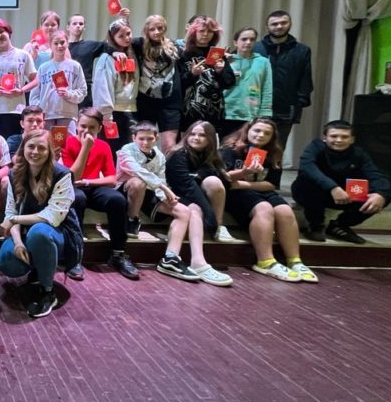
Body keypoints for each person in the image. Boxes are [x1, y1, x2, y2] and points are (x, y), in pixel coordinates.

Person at [117, 121, 223, 284]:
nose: (145, 142)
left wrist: (166, 196)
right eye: (141, 139)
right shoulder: (126, 150)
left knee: (184, 211)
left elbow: (161, 179)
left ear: (156, 138)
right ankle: (132, 220)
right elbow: (136, 171)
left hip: (150, 192)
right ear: (134, 138)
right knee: (138, 182)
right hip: (125, 191)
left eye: (150, 139)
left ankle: (170, 258)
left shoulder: (159, 156)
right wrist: (164, 189)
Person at [0, 129, 84, 318]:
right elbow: (12, 212)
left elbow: (52, 216)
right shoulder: (14, 174)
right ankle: (38, 268)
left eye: (41, 148)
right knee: (7, 262)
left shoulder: (62, 174)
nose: (35, 152)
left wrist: (14, 220)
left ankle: (47, 291)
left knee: (39, 232)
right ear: (23, 148)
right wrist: (18, 243)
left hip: (59, 234)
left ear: (50, 151)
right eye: (31, 146)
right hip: (27, 231)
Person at [220, 118, 317, 282]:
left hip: (254, 188)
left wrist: (243, 183)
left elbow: (271, 184)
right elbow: (223, 178)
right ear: (248, 131)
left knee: (285, 211)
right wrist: (244, 172)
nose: (261, 135)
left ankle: (295, 260)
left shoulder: (274, 153)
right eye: (257, 130)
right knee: (264, 208)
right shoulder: (230, 149)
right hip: (235, 194)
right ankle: (265, 261)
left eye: (267, 133)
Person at [62, 108, 137, 279]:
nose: (86, 131)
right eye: (83, 126)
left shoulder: (103, 146)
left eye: (92, 127)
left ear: (99, 129)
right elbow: (73, 177)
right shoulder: (68, 143)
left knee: (117, 200)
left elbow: (111, 179)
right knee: (78, 197)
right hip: (73, 187)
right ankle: (74, 256)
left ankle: (118, 253)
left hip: (92, 186)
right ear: (77, 125)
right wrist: (85, 148)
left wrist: (88, 182)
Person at [291, 120, 391, 244]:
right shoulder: (315, 147)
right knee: (308, 182)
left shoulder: (359, 154)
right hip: (313, 194)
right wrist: (333, 187)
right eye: (334, 136)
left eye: (344, 137)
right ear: (325, 138)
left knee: (383, 196)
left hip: (343, 197)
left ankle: (340, 225)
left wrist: (380, 194)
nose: (339, 140)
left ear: (352, 139)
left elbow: (375, 175)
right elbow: (307, 167)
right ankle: (315, 226)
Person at [164, 123, 238, 262]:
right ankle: (196, 258)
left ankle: (219, 227)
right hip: (176, 193)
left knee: (214, 182)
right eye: (192, 134)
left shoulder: (212, 156)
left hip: (196, 191)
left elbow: (225, 181)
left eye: (202, 135)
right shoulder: (178, 155)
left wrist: (204, 173)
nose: (196, 138)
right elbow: (187, 186)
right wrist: (209, 215)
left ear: (210, 139)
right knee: (195, 209)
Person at [254, 10, 312, 151]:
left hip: (286, 109)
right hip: (256, 107)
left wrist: (300, 102)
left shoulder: (301, 50)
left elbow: (305, 78)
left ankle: (274, 167)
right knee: (255, 148)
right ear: (267, 26)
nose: (279, 26)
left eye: (283, 23)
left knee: (277, 148)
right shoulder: (256, 48)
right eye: (274, 24)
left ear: (290, 24)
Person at [0, 18, 38, 139]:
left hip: (16, 110)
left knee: (13, 145)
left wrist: (21, 90)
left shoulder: (23, 55)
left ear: (8, 32)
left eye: (1, 31)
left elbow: (35, 80)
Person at [133, 15, 183, 153]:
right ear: (146, 30)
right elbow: (115, 42)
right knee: (143, 143)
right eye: (152, 29)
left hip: (170, 102)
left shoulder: (174, 46)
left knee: (169, 145)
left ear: (164, 29)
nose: (156, 32)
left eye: (160, 28)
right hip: (146, 101)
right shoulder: (139, 44)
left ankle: (169, 167)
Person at [179, 16, 236, 132]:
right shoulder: (184, 54)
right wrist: (192, 74)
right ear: (194, 32)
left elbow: (230, 83)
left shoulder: (217, 54)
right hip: (188, 113)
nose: (205, 34)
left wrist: (220, 72)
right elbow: (178, 84)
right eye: (201, 31)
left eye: (210, 31)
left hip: (214, 112)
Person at [92, 19, 139, 155]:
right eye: (121, 36)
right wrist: (107, 116)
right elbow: (103, 88)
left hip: (131, 111)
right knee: (113, 153)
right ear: (113, 38)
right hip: (113, 114)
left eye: (128, 33)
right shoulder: (107, 59)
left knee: (128, 154)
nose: (126, 38)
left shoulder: (132, 54)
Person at [220, 27, 273, 138]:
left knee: (247, 146)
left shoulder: (263, 62)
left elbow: (267, 88)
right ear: (235, 42)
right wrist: (223, 63)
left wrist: (265, 114)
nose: (248, 42)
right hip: (227, 113)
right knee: (226, 145)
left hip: (251, 113)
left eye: (252, 39)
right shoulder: (226, 60)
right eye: (244, 39)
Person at [31, 30, 86, 131]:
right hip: (46, 116)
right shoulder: (43, 68)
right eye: (56, 43)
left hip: (68, 115)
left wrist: (69, 94)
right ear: (50, 45)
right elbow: (34, 93)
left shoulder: (75, 66)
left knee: (68, 141)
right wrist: (40, 109)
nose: (59, 46)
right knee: (46, 140)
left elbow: (83, 90)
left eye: (62, 42)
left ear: (67, 43)